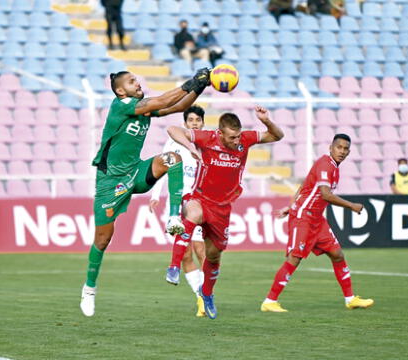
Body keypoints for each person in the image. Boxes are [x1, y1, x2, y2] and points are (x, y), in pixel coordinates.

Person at [80, 68, 211, 317]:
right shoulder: (121, 106)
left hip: (136, 172)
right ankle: (89, 288)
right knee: (103, 240)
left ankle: (174, 217)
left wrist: (200, 86)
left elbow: (176, 106)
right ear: (120, 91)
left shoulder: (142, 107)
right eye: (131, 81)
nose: (136, 83)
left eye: (136, 79)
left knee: (173, 158)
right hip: (111, 182)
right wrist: (191, 80)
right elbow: (163, 100)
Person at [165, 106, 284, 319]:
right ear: (220, 133)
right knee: (192, 215)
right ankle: (173, 267)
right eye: (231, 137)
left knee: (213, 254)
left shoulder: (245, 139)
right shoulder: (208, 138)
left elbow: (277, 135)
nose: (236, 141)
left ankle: (207, 293)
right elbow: (173, 129)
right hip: (200, 197)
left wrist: (266, 121)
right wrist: (190, 147)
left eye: (238, 136)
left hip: (223, 208)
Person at [260, 134, 374, 313]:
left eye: (345, 149)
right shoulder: (325, 164)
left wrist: (289, 207)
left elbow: (304, 185)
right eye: (339, 147)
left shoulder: (334, 167)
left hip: (317, 219)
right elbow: (326, 194)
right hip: (304, 217)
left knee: (337, 254)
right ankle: (269, 301)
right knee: (295, 257)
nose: (342, 151)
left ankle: (350, 299)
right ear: (331, 147)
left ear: (349, 152)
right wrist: (352, 206)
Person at [149, 105, 206, 317]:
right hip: (175, 201)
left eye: (197, 120)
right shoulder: (173, 142)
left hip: (197, 203)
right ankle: (200, 296)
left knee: (201, 250)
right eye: (190, 120)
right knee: (186, 255)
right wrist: (155, 196)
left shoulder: (206, 143)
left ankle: (208, 291)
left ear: (202, 122)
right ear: (185, 123)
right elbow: (162, 168)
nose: (194, 123)